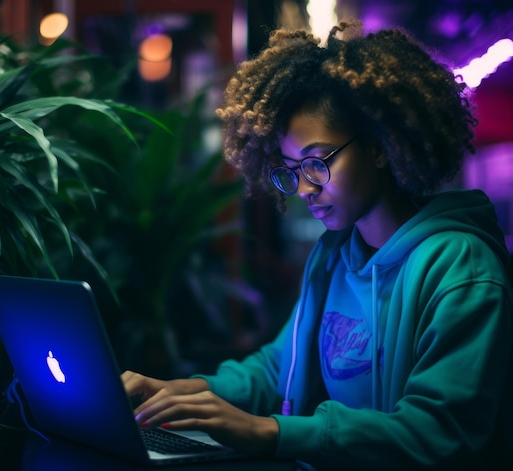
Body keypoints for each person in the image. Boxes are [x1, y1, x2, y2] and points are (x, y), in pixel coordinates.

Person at [122, 19, 513, 470]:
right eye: (291, 168)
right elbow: (278, 368)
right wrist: (181, 393)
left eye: (316, 162)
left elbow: (440, 434)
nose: (304, 189)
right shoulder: (334, 256)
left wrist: (268, 432)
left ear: (381, 147)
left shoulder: (461, 269)